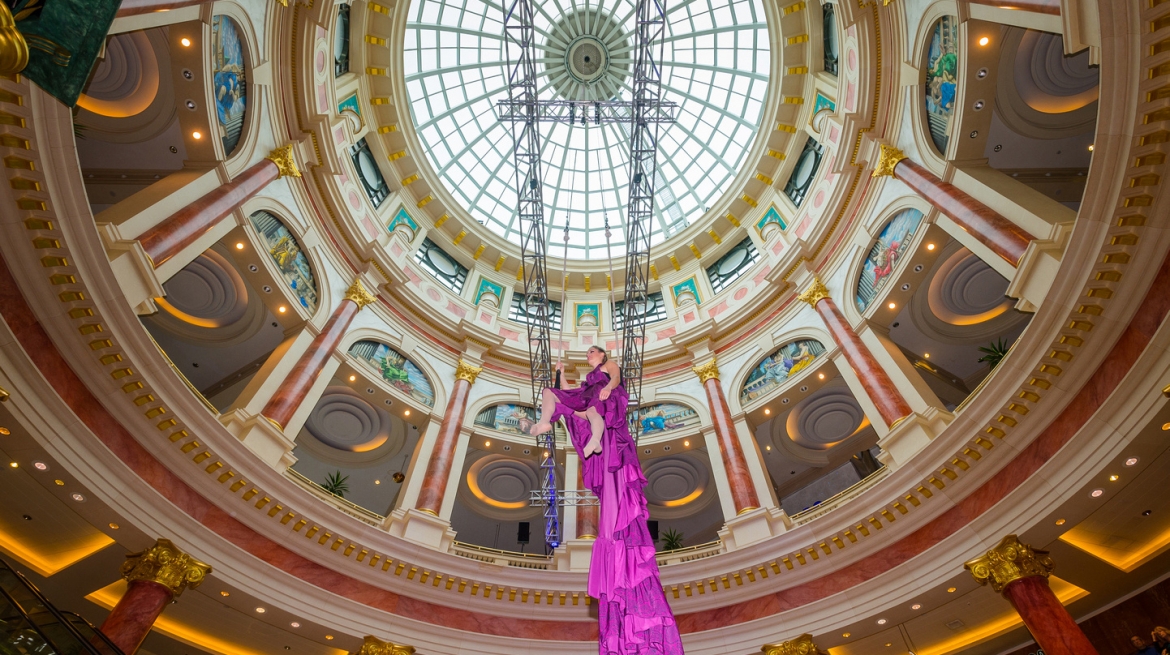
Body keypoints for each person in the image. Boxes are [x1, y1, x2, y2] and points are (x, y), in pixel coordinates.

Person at [529, 347, 684, 654]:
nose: (588, 354)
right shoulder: (587, 380)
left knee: (594, 414)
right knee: (551, 392)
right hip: (589, 407)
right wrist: (559, 373)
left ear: (601, 353)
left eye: (592, 351)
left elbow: (615, 378)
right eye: (587, 352)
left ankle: (597, 439)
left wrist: (608, 390)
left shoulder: (608, 366)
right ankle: (547, 421)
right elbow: (566, 391)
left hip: (603, 412)